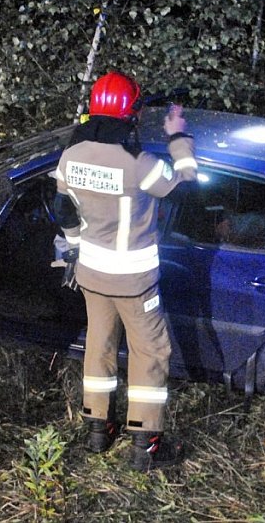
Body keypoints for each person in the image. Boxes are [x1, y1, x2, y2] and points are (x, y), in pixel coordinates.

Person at [53, 71, 197, 471]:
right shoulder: (140, 164)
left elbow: (64, 209)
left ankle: (98, 431)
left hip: (92, 275)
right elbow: (186, 185)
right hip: (135, 282)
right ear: (131, 115)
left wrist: (75, 245)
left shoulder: (71, 156)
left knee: (99, 347)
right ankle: (145, 446)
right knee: (149, 353)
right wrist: (178, 137)